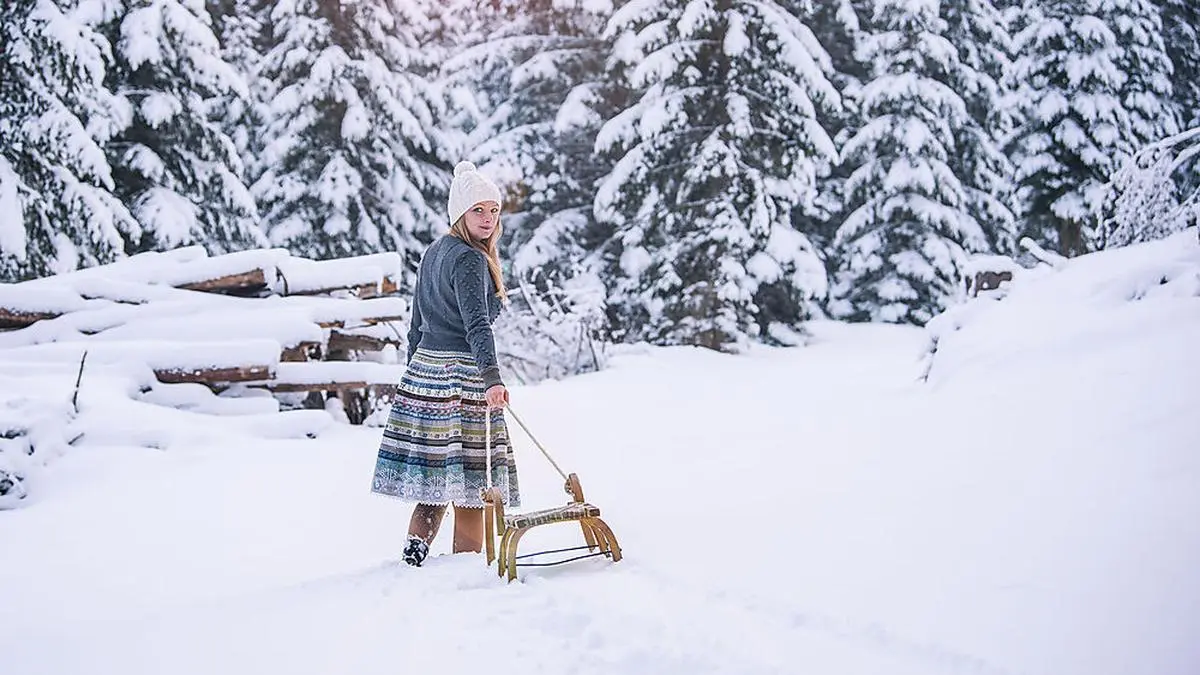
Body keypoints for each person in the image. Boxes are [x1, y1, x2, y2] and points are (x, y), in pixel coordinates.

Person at [371, 160, 520, 567]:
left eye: (493, 210)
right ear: (460, 213)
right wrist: (491, 378)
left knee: (437, 477)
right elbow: (476, 327)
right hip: (461, 377)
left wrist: (412, 375)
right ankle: (466, 567)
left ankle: (415, 553)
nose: (488, 219)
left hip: (426, 374)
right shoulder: (470, 259)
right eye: (478, 211)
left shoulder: (434, 252)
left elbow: (415, 325)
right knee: (473, 476)